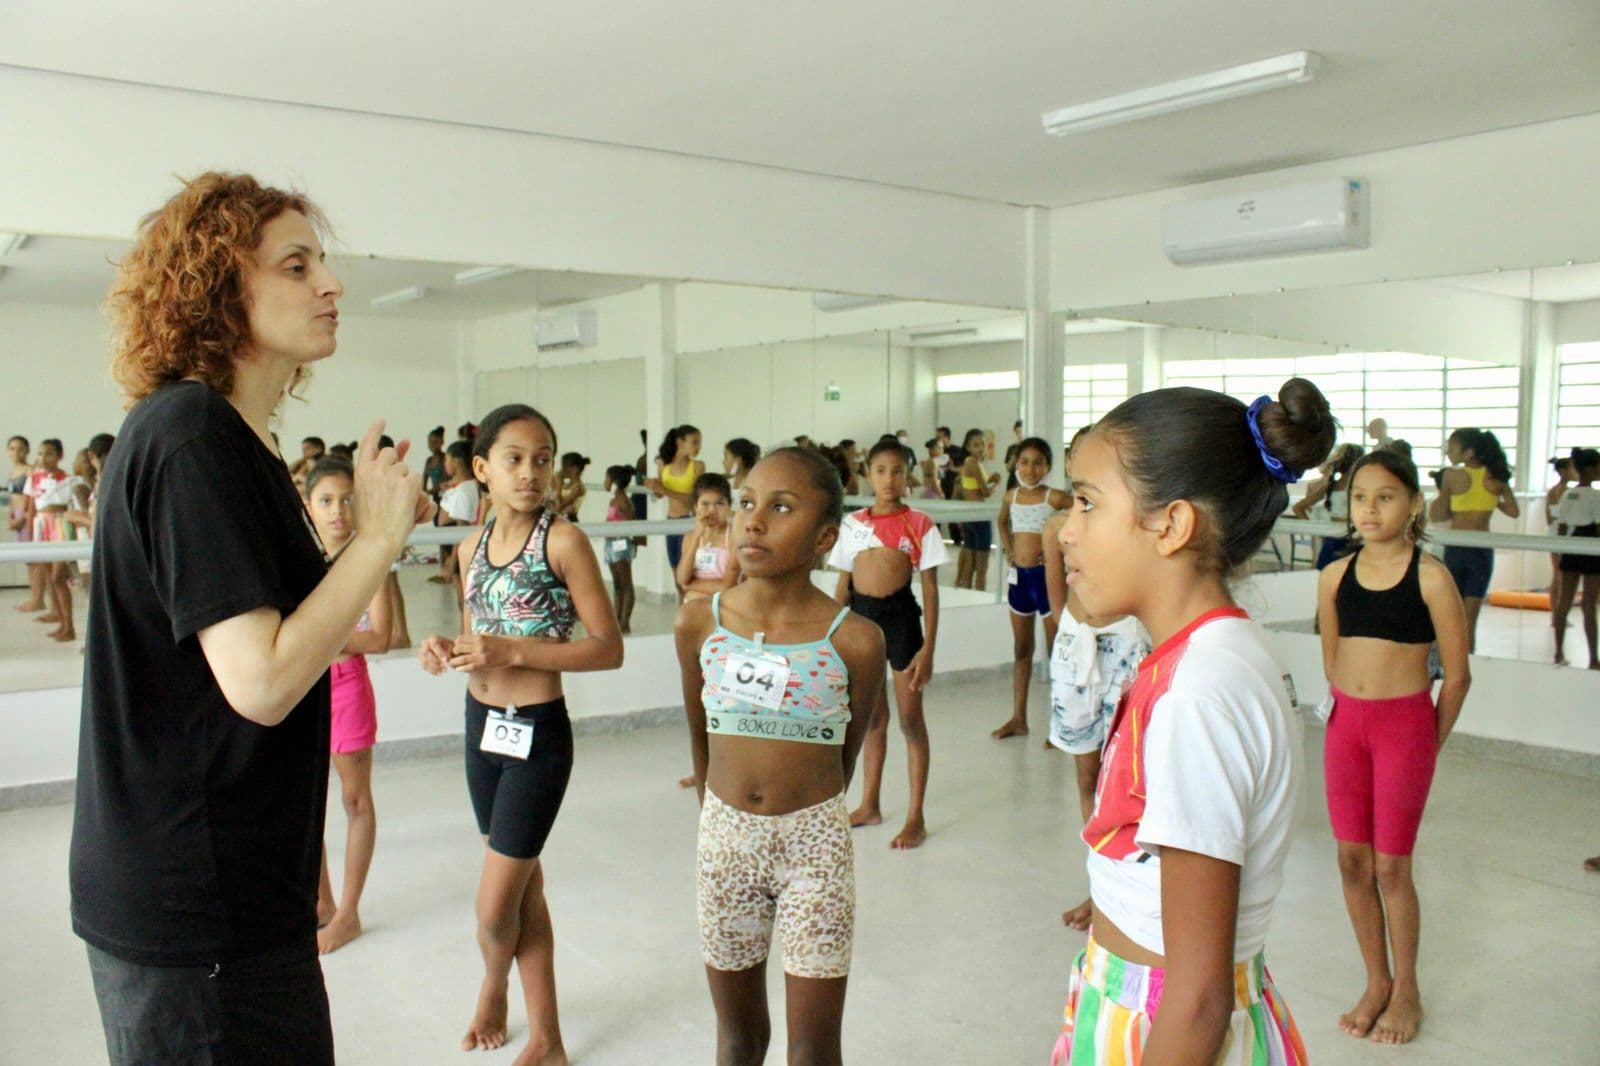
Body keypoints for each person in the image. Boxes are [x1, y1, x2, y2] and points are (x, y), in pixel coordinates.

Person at [70, 172, 423, 1065]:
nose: (330, 285)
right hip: (197, 911)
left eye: (322, 263)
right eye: (296, 267)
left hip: (232, 897)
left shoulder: (228, 437)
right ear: (218, 288)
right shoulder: (190, 436)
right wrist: (377, 540)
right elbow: (261, 680)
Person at [1051, 379, 1335, 1065]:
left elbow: (1199, 1000)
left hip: (1162, 1026)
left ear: (1173, 525)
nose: (1065, 530)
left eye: (1088, 502)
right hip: (1139, 1002)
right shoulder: (1208, 656)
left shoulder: (1198, 695)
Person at [418, 404, 623, 1064]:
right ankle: (548, 1038)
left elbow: (608, 647)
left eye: (542, 459)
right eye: (514, 459)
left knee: (491, 907)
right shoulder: (469, 548)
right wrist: (446, 648)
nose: (531, 473)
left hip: (536, 735)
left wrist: (514, 651)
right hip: (482, 728)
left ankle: (493, 986)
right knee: (524, 888)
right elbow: (476, 636)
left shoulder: (562, 542)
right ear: (482, 469)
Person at [674, 447, 885, 1066]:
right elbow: (700, 735)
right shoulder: (699, 623)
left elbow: (844, 757)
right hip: (725, 843)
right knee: (738, 1040)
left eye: (782, 507)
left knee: (814, 1051)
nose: (754, 520)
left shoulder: (856, 641)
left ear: (825, 537)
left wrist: (802, 809)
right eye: (746, 503)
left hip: (815, 849)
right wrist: (722, 816)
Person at [1316, 448, 1469, 1045]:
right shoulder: (1334, 575)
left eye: (1385, 497)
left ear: (1413, 505)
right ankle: (1376, 980)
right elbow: (1332, 661)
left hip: (1404, 730)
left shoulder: (1431, 577)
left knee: (1391, 867)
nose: (1370, 509)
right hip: (1345, 730)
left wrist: (1425, 743)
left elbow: (1457, 678)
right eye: (1360, 497)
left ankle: (1407, 991)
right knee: (1351, 862)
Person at [831, 438, 945, 850]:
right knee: (872, 720)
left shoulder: (919, 524)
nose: (889, 479)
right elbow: (842, 585)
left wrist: (928, 648)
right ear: (868, 474)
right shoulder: (853, 524)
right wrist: (830, 637)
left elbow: (930, 590)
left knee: (910, 721)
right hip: (861, 621)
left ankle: (916, 816)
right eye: (881, 471)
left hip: (901, 621)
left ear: (907, 475)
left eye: (897, 471)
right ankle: (869, 804)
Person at [1042, 502, 1150, 930]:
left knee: (1128, 777)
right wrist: (1066, 627)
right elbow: (1055, 593)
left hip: (1125, 644)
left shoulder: (1130, 521)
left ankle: (1128, 887)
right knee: (1087, 777)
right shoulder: (1057, 526)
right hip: (1075, 646)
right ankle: (1101, 885)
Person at [301, 456, 391, 955]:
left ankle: (349, 913)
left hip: (347, 687)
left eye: (347, 500)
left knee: (355, 801)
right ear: (308, 504)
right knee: (305, 801)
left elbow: (380, 637)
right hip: (302, 687)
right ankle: (321, 903)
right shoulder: (296, 559)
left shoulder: (370, 561)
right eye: (326, 500)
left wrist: (324, 639)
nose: (337, 510)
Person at [992, 437, 1072, 739]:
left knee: (1055, 652)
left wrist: (1058, 550)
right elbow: (1002, 523)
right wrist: (1010, 549)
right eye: (1024, 462)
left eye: (1038, 463)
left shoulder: (1055, 497)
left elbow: (1081, 514)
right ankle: (1018, 718)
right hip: (1020, 581)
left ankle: (1060, 724)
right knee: (1022, 649)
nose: (1030, 469)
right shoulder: (1011, 496)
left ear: (1048, 466)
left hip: (1047, 579)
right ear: (1016, 464)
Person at [1429, 428, 1519, 652]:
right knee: (1471, 618)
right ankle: (1468, 662)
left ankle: (1448, 662)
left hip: (1456, 548)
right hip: (1481, 551)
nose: (1448, 453)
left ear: (1468, 452)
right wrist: (1492, 499)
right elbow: (1514, 511)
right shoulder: (1496, 477)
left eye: (1451, 449)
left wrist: (1444, 493)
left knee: (1452, 615)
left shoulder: (1451, 476)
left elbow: (1439, 515)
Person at [1552, 448, 1600, 668]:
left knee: (1564, 602)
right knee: (1589, 604)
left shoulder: (1568, 494)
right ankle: (1593, 658)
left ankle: (1558, 653)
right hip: (1590, 546)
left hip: (1571, 547)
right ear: (1590, 469)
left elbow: (1561, 526)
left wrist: (1561, 550)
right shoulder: (1595, 496)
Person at [26, 438, 76, 641]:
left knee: (58, 577)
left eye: (49, 454)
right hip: (41, 525)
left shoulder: (67, 479)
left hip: (59, 525)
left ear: (59, 456)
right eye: (40, 453)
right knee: (50, 577)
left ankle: (69, 626)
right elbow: (31, 508)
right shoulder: (34, 478)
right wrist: (31, 536)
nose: (43, 458)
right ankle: (61, 621)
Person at [1292, 442, 1364, 571]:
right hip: (1338, 541)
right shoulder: (1335, 486)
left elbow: (1298, 508)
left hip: (1343, 540)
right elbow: (1298, 508)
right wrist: (1317, 530)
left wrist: (1318, 531)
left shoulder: (1353, 487)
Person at [649, 424, 705, 582]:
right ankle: (681, 598)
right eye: (695, 442)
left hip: (690, 520)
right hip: (671, 520)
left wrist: (664, 490)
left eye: (699, 443)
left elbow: (695, 498)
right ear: (680, 442)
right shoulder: (663, 465)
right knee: (675, 568)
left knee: (687, 570)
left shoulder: (698, 466)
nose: (698, 447)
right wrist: (654, 487)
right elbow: (659, 493)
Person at [676, 473, 741, 603]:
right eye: (705, 504)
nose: (712, 510)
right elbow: (682, 578)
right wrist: (697, 537)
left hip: (726, 605)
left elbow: (727, 586)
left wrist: (690, 586)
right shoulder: (690, 537)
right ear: (696, 507)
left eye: (719, 504)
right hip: (694, 605)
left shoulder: (735, 537)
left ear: (729, 506)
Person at [954, 428, 1000, 590]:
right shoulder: (973, 463)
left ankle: (967, 596)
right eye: (976, 445)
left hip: (970, 516)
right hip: (979, 516)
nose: (980, 448)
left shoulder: (973, 463)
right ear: (968, 447)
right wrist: (997, 483)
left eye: (982, 444)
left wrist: (991, 479)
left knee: (970, 565)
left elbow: (971, 487)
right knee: (981, 567)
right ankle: (980, 597)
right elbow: (985, 492)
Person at [432, 440, 481, 586]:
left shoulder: (464, 491)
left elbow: (461, 527)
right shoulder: (460, 487)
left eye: (447, 460)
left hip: (456, 543)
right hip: (449, 541)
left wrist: (454, 558)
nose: (445, 464)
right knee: (458, 586)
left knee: (462, 589)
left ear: (456, 461)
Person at [8, 435, 48, 614]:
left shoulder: (30, 470)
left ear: (27, 451)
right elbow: (13, 497)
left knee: (35, 559)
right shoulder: (13, 471)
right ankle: (34, 596)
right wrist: (12, 516)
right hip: (17, 516)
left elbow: (31, 497)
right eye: (12, 448)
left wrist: (23, 517)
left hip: (28, 516)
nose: (16, 452)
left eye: (20, 449)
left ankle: (39, 599)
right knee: (28, 560)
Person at [603, 465, 638, 634]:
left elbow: (632, 524)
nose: (605, 482)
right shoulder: (615, 500)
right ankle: (617, 619)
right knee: (618, 584)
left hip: (620, 544)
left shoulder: (623, 501)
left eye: (607, 478)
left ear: (614, 481)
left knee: (625, 583)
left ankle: (625, 622)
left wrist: (634, 544)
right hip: (611, 544)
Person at [1546, 453, 1579, 593]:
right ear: (1563, 471)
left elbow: (1548, 518)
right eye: (1573, 469)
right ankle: (1559, 604)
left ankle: (1556, 605)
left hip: (1554, 532)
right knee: (1560, 574)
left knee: (1557, 573)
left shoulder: (1552, 490)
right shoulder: (1566, 492)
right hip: (1562, 533)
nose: (1576, 472)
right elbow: (1567, 515)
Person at [554, 452, 590, 522]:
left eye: (564, 467)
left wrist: (558, 484)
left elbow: (559, 506)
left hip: (569, 521)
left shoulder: (578, 487)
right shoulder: (566, 485)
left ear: (575, 468)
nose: (562, 470)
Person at [422, 425, 448, 499]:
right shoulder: (429, 461)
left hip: (447, 496)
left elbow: (443, 481)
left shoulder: (446, 459)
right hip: (435, 497)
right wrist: (423, 494)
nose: (432, 445)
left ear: (442, 442)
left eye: (435, 442)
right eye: (430, 442)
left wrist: (428, 492)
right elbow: (424, 482)